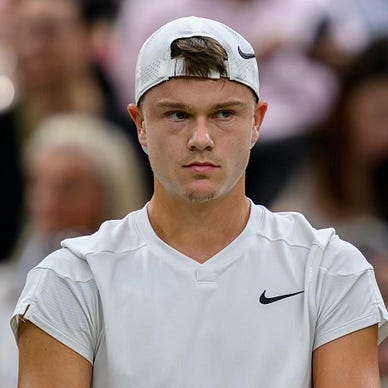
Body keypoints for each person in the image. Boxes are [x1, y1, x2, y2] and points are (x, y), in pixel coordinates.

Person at [11, 16, 388, 387]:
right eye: (178, 114)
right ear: (140, 124)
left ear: (256, 122)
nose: (201, 138)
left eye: (224, 113)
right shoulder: (71, 279)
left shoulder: (330, 270)